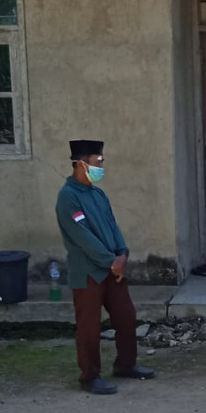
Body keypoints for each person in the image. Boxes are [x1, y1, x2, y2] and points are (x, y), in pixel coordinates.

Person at [55, 140, 155, 395]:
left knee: (126, 316)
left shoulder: (98, 194)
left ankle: (125, 364)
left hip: (113, 268)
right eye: (97, 161)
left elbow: (112, 226)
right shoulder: (68, 197)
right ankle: (89, 376)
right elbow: (82, 236)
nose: (101, 165)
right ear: (81, 164)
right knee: (89, 326)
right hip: (89, 271)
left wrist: (122, 253)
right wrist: (110, 261)